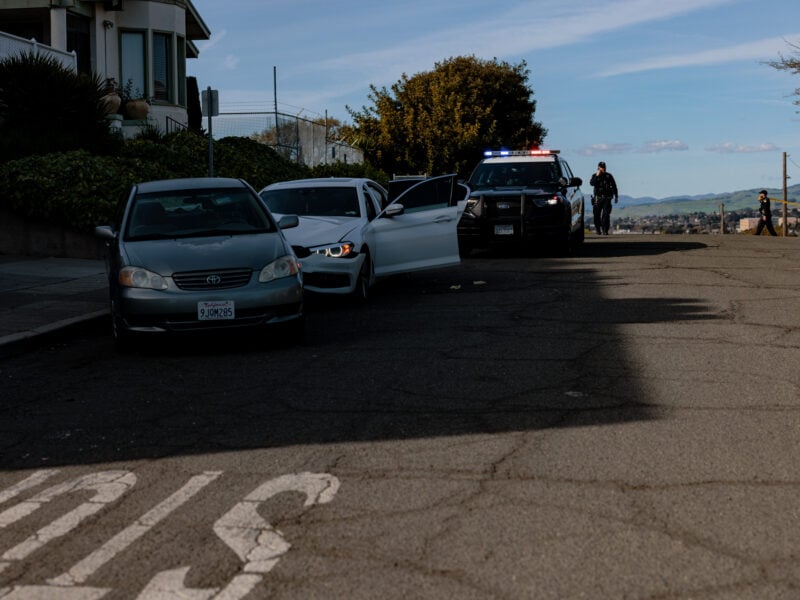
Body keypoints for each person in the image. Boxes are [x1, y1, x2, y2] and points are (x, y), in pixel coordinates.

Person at [589, 161, 618, 235]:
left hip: (607, 198)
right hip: (597, 198)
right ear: (598, 168)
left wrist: (616, 196)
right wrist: (597, 176)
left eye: (604, 167)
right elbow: (592, 183)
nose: (603, 169)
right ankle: (598, 229)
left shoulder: (609, 176)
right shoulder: (595, 175)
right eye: (602, 167)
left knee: (606, 215)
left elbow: (614, 186)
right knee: (596, 215)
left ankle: (605, 230)